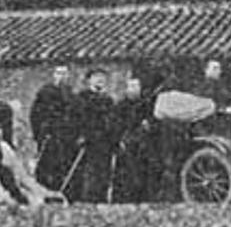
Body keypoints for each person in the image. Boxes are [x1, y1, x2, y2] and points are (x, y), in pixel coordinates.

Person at [0, 122, 63, 206]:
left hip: (17, 197)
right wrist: (3, 199)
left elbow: (23, 178)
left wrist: (46, 193)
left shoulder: (5, 149)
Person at [31, 65, 79, 190]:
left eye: (64, 74)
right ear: (54, 75)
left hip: (65, 137)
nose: (61, 77)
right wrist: (39, 133)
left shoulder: (71, 94)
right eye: (58, 73)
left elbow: (75, 115)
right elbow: (35, 114)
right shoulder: (45, 92)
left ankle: (60, 189)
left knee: (63, 164)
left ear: (68, 76)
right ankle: (42, 189)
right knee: (45, 163)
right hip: (49, 134)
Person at [76, 68, 117, 202]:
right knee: (88, 173)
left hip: (105, 143)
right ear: (89, 80)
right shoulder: (82, 98)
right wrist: (81, 135)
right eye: (96, 77)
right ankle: (87, 200)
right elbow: (78, 119)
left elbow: (112, 121)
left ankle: (102, 199)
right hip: (89, 141)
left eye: (102, 77)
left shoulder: (108, 100)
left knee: (104, 173)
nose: (100, 79)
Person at [112, 77, 154, 202]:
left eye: (136, 87)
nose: (134, 90)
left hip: (142, 144)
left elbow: (152, 122)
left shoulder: (146, 104)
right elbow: (116, 125)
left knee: (142, 172)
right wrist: (120, 140)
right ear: (126, 89)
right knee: (126, 174)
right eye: (131, 87)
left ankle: (142, 199)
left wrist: (148, 123)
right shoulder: (121, 105)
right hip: (126, 144)